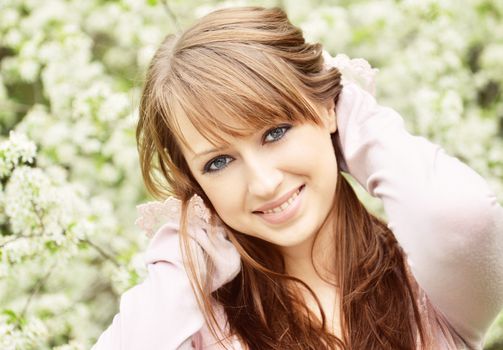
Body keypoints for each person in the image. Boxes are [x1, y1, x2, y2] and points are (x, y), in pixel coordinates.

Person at [91, 6, 503, 350]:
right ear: (196, 184)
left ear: (329, 109)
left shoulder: (428, 290)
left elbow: (463, 220)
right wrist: (191, 266)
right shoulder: (203, 332)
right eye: (218, 163)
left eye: (275, 132)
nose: (264, 182)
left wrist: (361, 128)